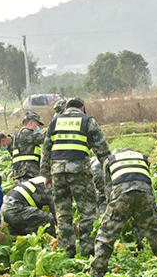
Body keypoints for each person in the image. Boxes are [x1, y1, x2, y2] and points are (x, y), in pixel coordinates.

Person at [90, 149, 157, 277]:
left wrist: (115, 212)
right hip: (145, 192)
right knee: (156, 232)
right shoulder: (142, 157)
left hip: (121, 192)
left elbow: (109, 189)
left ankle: (96, 273)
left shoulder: (110, 160)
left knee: (106, 234)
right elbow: (148, 183)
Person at [40, 97, 111, 258]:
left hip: (57, 173)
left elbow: (45, 152)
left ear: (65, 109)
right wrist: (110, 171)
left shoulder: (54, 122)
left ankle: (67, 253)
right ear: (83, 108)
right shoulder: (87, 121)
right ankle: (87, 252)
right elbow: (102, 150)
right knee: (87, 212)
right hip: (79, 172)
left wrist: (46, 176)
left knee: (63, 214)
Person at [11, 111, 45, 185]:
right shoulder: (25, 133)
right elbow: (42, 138)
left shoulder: (18, 134)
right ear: (31, 122)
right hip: (27, 172)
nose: (38, 128)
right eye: (37, 125)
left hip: (25, 172)